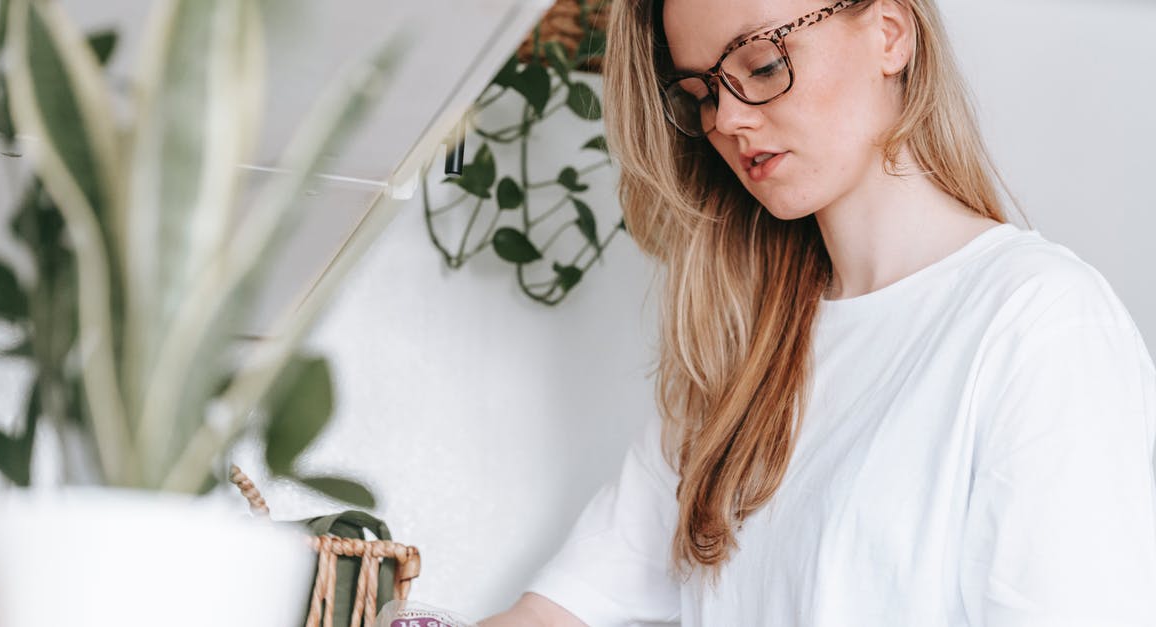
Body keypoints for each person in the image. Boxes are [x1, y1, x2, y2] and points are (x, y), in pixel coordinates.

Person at [483, 0, 1156, 624]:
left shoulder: (1039, 325)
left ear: (890, 34)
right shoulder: (740, 356)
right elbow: (557, 610)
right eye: (703, 93)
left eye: (762, 65)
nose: (727, 119)